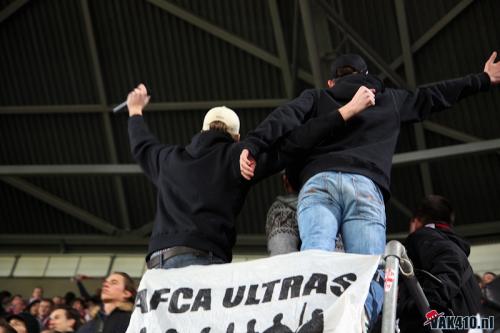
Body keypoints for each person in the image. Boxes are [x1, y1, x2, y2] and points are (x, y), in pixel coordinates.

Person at [240, 52, 500, 330]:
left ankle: (313, 319)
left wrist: (252, 145)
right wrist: (483, 79)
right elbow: (433, 96)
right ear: (366, 76)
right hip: (365, 188)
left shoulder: (316, 98)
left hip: (319, 184)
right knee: (369, 273)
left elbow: (284, 118)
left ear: (331, 82)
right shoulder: (389, 99)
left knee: (315, 259)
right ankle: (358, 323)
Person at [126, 82, 373, 269]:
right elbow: (294, 142)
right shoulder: (239, 157)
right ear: (236, 137)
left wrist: (135, 111)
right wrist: (347, 111)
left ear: (201, 130)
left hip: (158, 263)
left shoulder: (168, 159)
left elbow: (142, 145)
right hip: (204, 260)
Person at [397, 195, 481, 333]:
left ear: (417, 221)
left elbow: (450, 262)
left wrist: (421, 307)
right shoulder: (456, 249)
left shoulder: (424, 236)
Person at [266, 172, 343, 256]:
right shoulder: (339, 207)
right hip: (340, 266)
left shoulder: (282, 209)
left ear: (286, 180)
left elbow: (281, 254)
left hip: (313, 266)